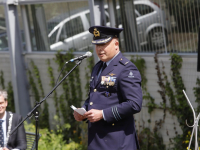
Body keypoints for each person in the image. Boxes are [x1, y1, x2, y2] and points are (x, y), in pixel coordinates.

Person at [73, 26, 143, 150]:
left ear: (116, 44)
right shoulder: (98, 67)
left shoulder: (126, 69)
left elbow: (134, 104)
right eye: (97, 45)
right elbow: (94, 95)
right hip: (97, 140)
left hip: (117, 142)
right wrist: (83, 110)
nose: (99, 49)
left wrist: (103, 114)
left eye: (103, 44)